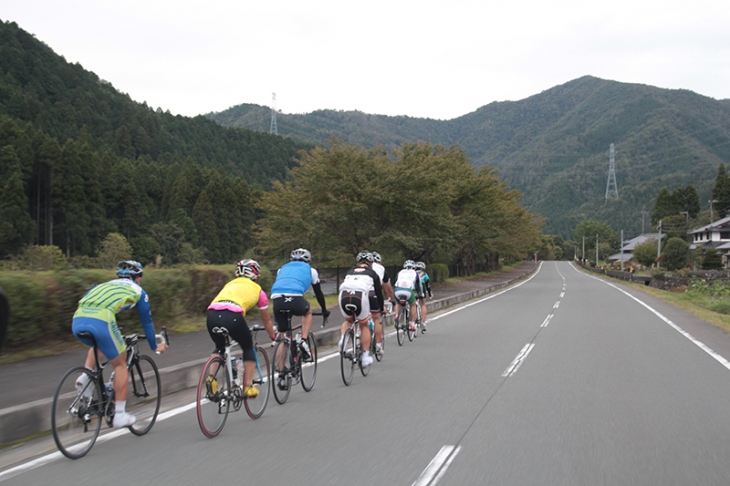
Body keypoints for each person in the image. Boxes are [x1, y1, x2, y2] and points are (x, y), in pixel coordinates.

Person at [72, 260, 168, 428]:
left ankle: (85, 377)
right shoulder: (138, 291)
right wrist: (154, 346)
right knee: (120, 364)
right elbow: (147, 323)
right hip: (102, 321)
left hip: (77, 320)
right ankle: (120, 415)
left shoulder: (101, 286)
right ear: (137, 278)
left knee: (98, 345)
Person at [206, 259, 277, 398]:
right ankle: (248, 387)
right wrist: (273, 336)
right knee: (247, 347)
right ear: (255, 276)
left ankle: (211, 379)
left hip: (212, 316)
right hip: (233, 316)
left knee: (220, 347)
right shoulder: (258, 290)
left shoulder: (229, 284)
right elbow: (266, 319)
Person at [270, 248, 330, 368]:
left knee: (283, 335)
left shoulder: (281, 269)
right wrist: (324, 310)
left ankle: (281, 373)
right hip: (296, 297)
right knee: (307, 313)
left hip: (277, 299)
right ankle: (303, 340)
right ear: (308, 260)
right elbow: (318, 293)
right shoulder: (311, 270)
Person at [338, 251, 384, 367]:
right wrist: (382, 307)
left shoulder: (350, 270)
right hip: (360, 294)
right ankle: (365, 357)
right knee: (364, 325)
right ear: (370, 264)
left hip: (343, 294)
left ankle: (343, 339)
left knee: (348, 320)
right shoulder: (372, 273)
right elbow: (379, 293)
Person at [370, 252, 395, 355]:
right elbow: (387, 288)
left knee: (361, 316)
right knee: (377, 318)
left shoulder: (358, 268)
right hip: (373, 293)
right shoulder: (381, 269)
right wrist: (391, 299)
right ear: (380, 262)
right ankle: (378, 346)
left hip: (351, 294)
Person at [393, 260, 423, 333]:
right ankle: (412, 324)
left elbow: (395, 280)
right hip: (408, 290)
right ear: (414, 267)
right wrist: (421, 294)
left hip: (397, 290)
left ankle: (396, 315)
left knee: (398, 303)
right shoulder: (415, 273)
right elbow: (419, 285)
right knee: (412, 304)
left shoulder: (400, 272)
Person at [415, 261, 433, 332]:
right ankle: (423, 322)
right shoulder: (425, 274)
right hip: (421, 289)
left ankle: (412, 321)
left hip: (413, 290)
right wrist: (430, 293)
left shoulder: (413, 273)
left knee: (412, 304)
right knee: (423, 304)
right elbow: (428, 286)